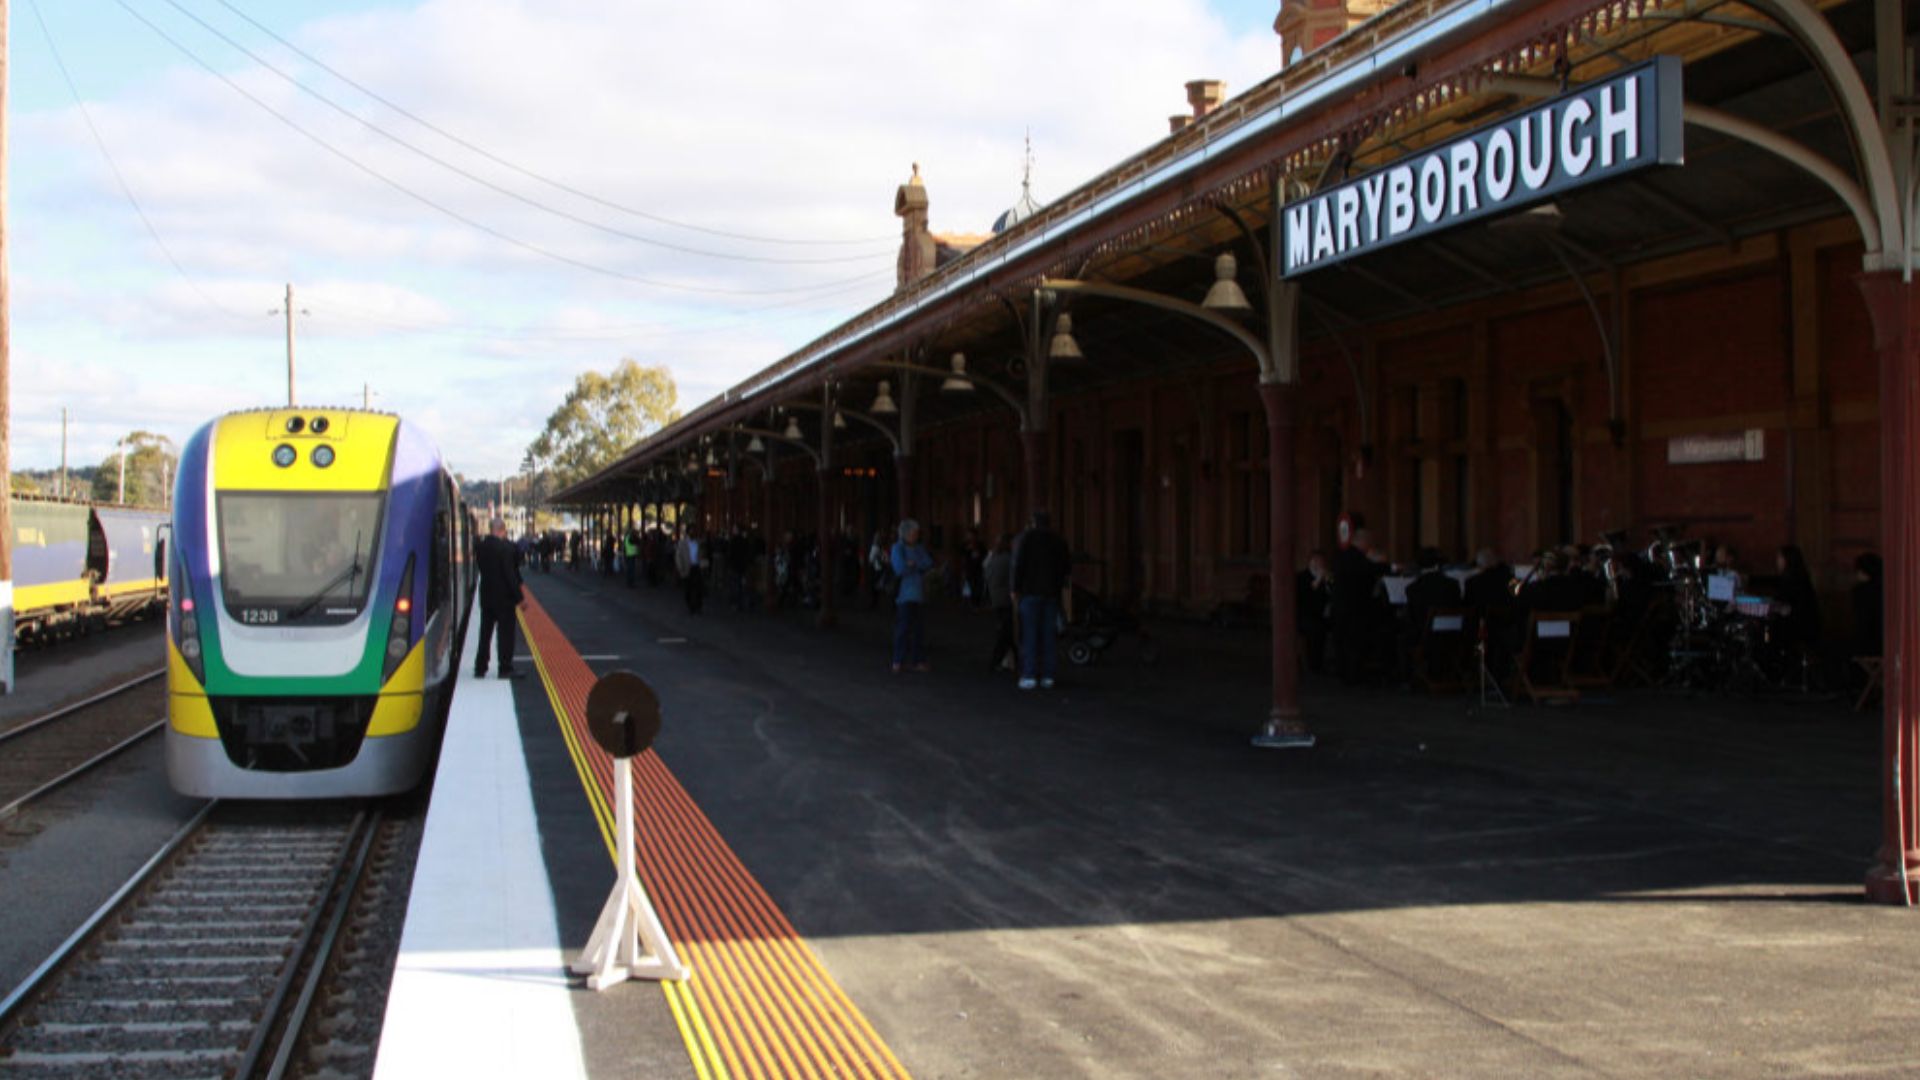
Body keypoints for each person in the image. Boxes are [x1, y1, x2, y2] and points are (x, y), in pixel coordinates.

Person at [1011, 510, 1072, 690]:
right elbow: (1066, 568)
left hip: (1030, 592)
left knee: (1029, 634)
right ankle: (1048, 676)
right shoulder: (1059, 541)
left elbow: (1018, 564)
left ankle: (1029, 675)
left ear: (1033, 522)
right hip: (1052, 593)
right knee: (1048, 636)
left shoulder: (1026, 539)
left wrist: (1014, 588)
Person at [473, 517, 524, 680]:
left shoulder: (480, 547)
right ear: (503, 529)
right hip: (504, 599)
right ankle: (505, 667)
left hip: (486, 596)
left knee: (485, 633)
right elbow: (510, 575)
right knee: (506, 634)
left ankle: (480, 667)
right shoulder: (506, 548)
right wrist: (519, 598)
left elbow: (482, 568)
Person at [1331, 529, 1385, 684]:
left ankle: (1346, 672)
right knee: (1353, 642)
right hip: (1354, 607)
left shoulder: (1343, 555)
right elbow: (1369, 570)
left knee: (1344, 641)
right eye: (1368, 543)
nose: (1369, 546)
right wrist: (1391, 567)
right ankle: (1353, 674)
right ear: (1362, 541)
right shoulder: (1356, 557)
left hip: (1342, 606)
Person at [890, 519, 934, 673]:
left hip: (919, 594)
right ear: (906, 534)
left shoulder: (919, 548)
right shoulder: (898, 548)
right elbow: (899, 568)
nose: (916, 535)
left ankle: (918, 659)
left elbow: (928, 563)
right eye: (914, 533)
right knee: (903, 628)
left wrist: (912, 564)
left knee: (918, 630)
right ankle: (898, 659)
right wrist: (915, 565)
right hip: (904, 595)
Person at [984, 533, 1018, 674]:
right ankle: (997, 661)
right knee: (1007, 632)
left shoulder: (993, 558)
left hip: (996, 598)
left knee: (1005, 631)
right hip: (1005, 599)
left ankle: (1010, 660)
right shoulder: (1008, 560)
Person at [1296, 551, 1333, 674]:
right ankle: (1314, 663)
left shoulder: (1327, 576)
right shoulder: (1302, 577)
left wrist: (1328, 582)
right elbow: (1306, 597)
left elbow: (1331, 594)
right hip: (1307, 615)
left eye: (1321, 562)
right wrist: (1318, 580)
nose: (1318, 564)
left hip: (1324, 614)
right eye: (1315, 561)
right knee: (1315, 630)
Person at [675, 525, 707, 614]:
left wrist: (704, 567)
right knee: (688, 589)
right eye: (691, 531)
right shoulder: (682, 543)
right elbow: (678, 556)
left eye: (694, 531)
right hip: (687, 568)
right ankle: (691, 606)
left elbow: (703, 555)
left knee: (699, 588)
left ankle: (698, 606)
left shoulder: (698, 542)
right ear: (688, 532)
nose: (693, 533)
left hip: (697, 567)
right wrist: (680, 568)